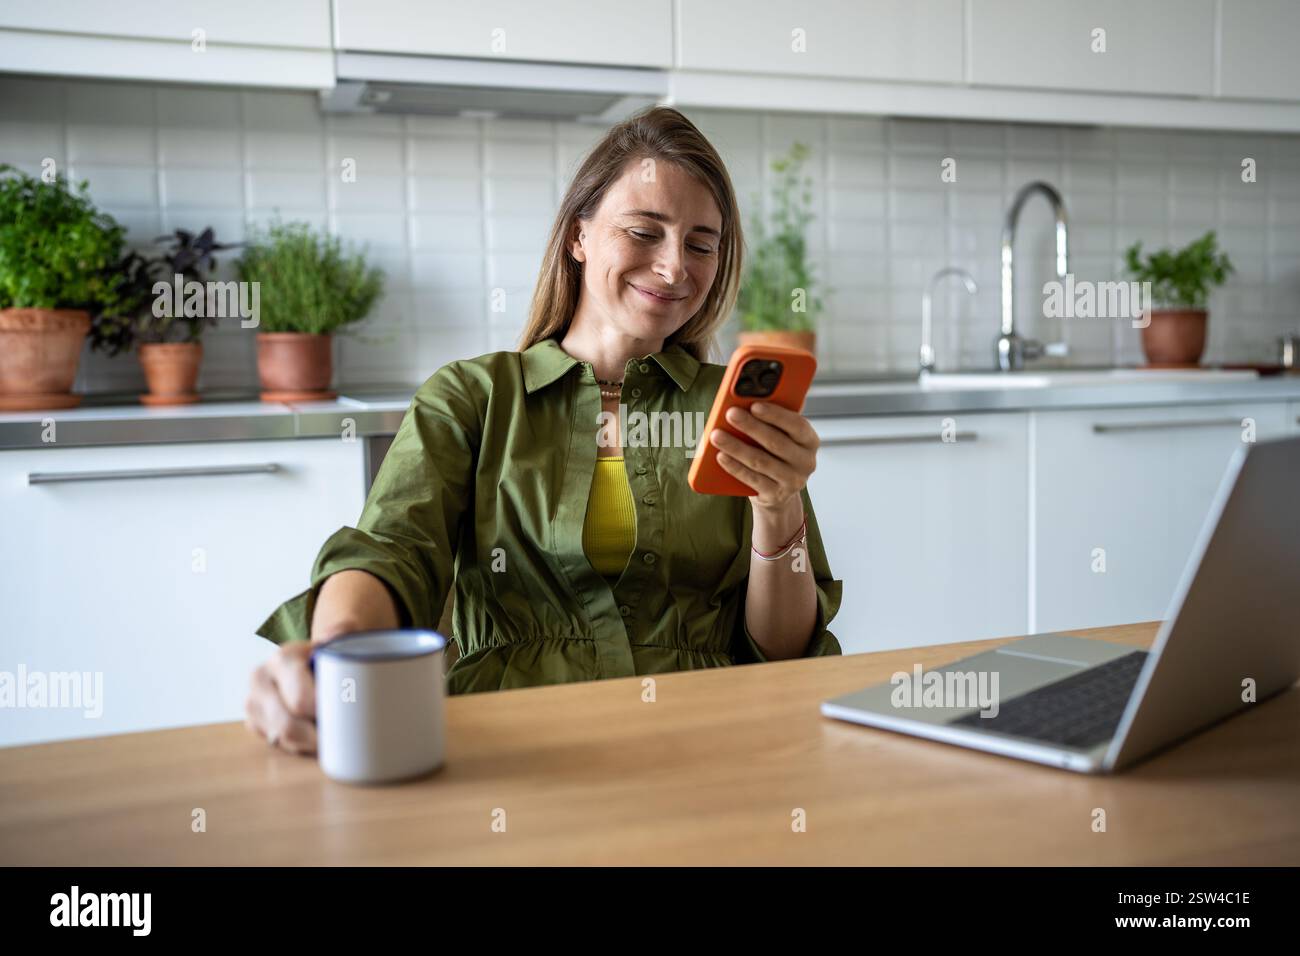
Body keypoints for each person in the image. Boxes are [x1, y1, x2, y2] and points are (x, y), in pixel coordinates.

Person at [245, 106, 842, 754]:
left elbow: (784, 655)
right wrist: (333, 652)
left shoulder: (731, 410)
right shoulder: (471, 400)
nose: (675, 268)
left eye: (701, 244)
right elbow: (391, 552)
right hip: (513, 752)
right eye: (645, 231)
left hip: (707, 745)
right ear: (578, 236)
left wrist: (778, 508)